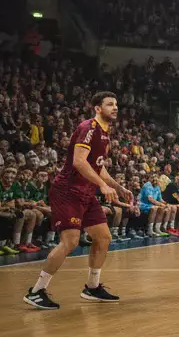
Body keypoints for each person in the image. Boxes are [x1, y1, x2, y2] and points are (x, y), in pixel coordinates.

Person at [23, 92, 133, 310]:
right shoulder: (88, 128)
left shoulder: (105, 133)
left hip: (86, 193)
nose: (115, 107)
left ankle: (92, 287)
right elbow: (79, 162)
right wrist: (103, 186)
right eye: (109, 104)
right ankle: (36, 291)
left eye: (116, 104)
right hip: (68, 191)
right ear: (97, 108)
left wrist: (118, 187)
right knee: (70, 241)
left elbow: (98, 167)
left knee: (103, 237)